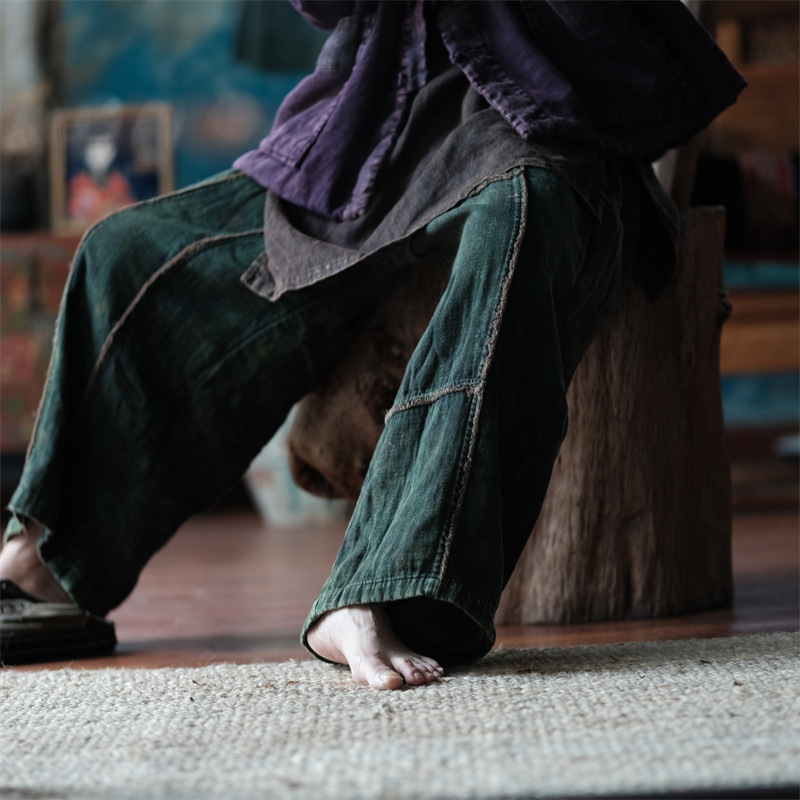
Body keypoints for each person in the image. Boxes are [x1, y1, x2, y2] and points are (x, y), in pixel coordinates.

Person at [0, 1, 744, 688]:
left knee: (516, 221)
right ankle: (51, 560)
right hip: (378, 130)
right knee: (124, 251)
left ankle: (383, 587)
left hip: (553, 119)